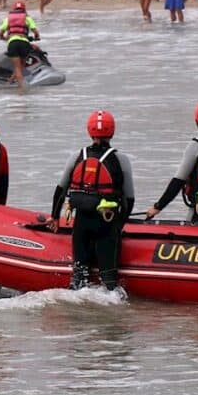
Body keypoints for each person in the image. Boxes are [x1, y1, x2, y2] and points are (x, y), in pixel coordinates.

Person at [50, 110, 135, 290]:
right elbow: (129, 199)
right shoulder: (121, 159)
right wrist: (119, 225)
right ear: (112, 132)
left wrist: (55, 217)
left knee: (79, 277)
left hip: (81, 222)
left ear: (89, 131)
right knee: (109, 280)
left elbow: (60, 190)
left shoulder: (77, 156)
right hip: (107, 223)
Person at [0, 0, 40, 88]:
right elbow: (35, 31)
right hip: (24, 43)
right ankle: (18, 87)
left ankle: (17, 86)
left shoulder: (8, 19)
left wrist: (4, 38)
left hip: (13, 43)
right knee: (20, 66)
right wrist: (36, 37)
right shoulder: (27, 18)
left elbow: (1, 34)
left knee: (17, 67)